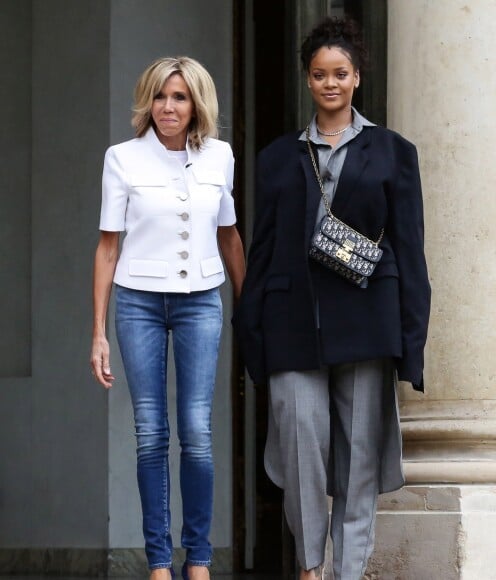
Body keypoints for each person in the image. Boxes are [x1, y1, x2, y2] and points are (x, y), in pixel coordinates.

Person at [235, 17, 430, 580]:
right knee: (300, 451)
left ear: (357, 78)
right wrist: (254, 338)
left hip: (368, 321)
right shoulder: (277, 157)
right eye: (319, 74)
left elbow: (410, 248)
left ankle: (348, 572)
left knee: (360, 461)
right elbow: (263, 248)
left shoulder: (393, 152)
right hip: (292, 323)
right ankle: (311, 564)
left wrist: (411, 341)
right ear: (308, 79)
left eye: (340, 74)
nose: (330, 84)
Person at [90, 56, 245, 580]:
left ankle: (198, 559)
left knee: (197, 433)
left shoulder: (220, 156)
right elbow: (108, 249)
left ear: (196, 103)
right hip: (138, 303)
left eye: (179, 97)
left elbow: (228, 235)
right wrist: (98, 333)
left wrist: (248, 310)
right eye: (160, 96)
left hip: (202, 300)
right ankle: (159, 562)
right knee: (151, 432)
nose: (168, 107)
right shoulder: (122, 158)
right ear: (147, 102)